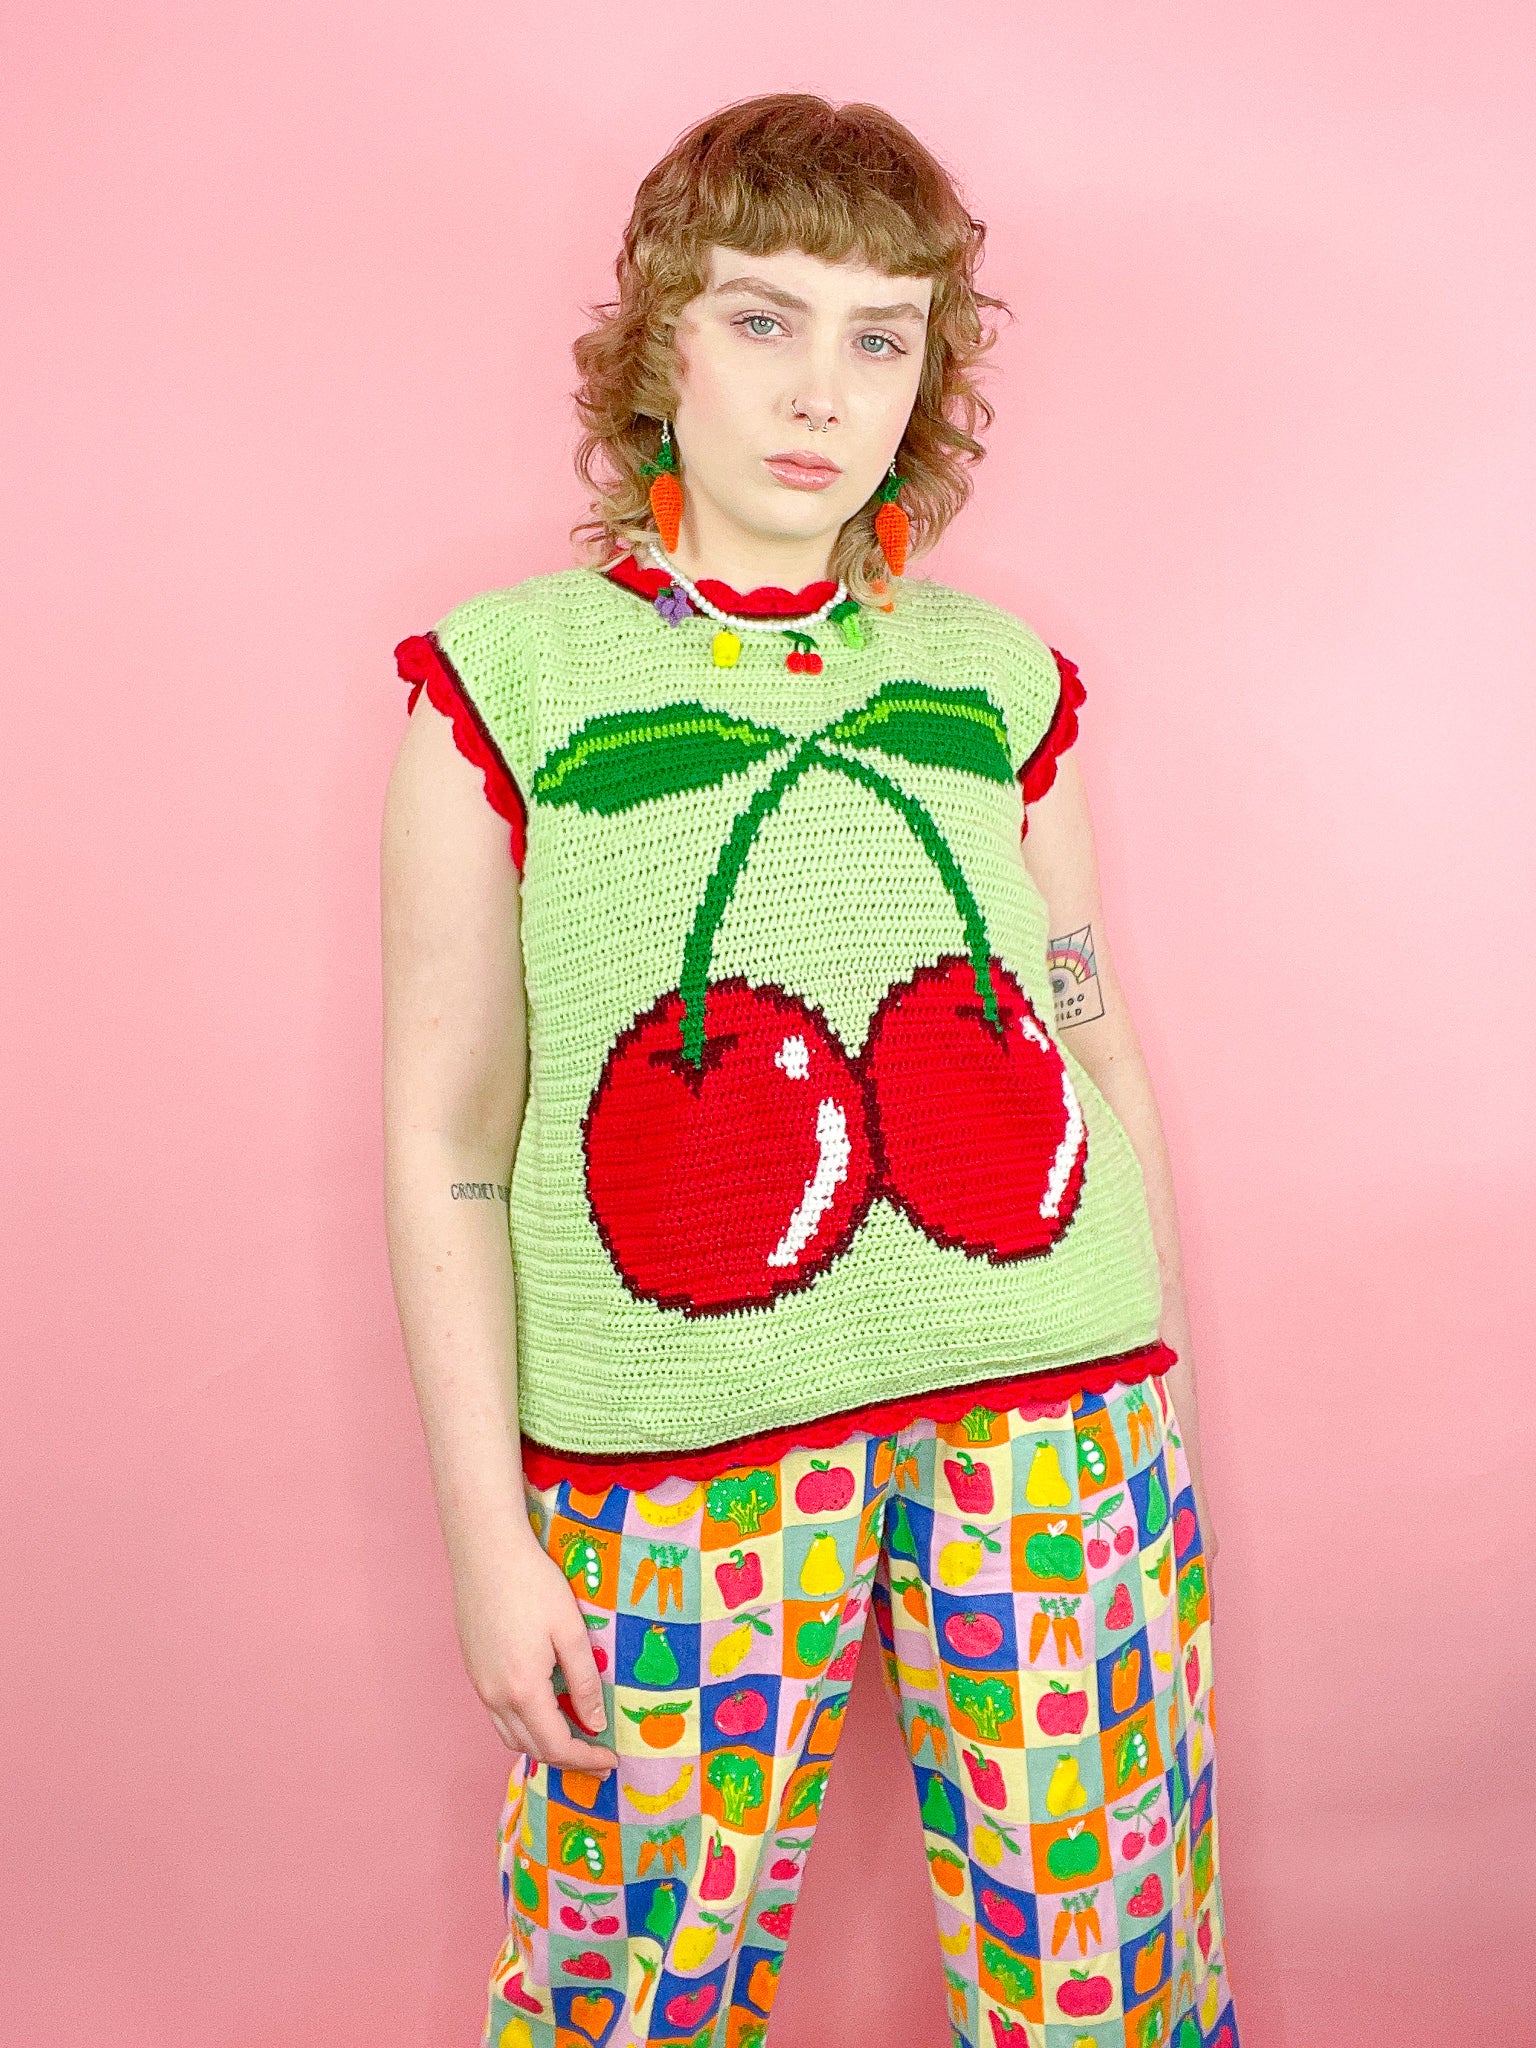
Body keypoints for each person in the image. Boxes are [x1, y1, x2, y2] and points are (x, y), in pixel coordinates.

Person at [381, 92, 1239, 2048]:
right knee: (632, 1984)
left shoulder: (1002, 679)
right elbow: (447, 1132)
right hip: (670, 1458)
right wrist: (486, 1541)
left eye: (883, 336)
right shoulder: (502, 684)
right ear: (659, 332)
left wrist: (1153, 1411)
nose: (821, 393)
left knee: (1111, 1977)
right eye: (763, 318)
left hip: (1053, 1429)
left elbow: (1088, 1027)